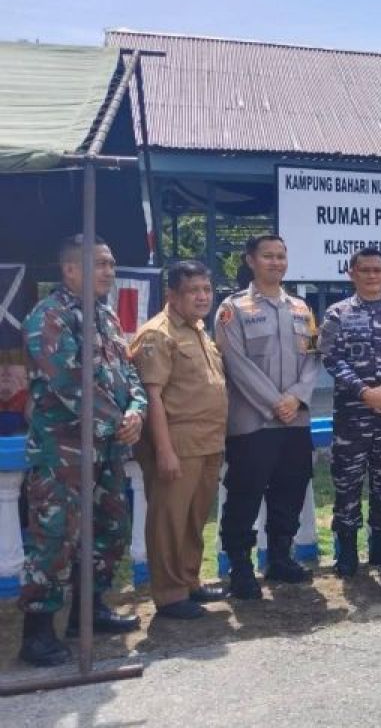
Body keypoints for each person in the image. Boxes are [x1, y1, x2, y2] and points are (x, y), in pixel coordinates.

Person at [17, 235, 145, 667]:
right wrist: (117, 418)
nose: (110, 271)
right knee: (55, 538)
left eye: (111, 264)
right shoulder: (48, 316)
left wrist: (137, 411)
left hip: (106, 447)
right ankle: (37, 633)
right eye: (100, 264)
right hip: (63, 451)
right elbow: (67, 383)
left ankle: (88, 613)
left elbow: (128, 371)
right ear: (71, 270)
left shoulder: (106, 317)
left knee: (110, 528)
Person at [215, 234, 321, 598]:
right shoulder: (233, 309)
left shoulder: (302, 309)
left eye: (281, 256)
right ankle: (241, 568)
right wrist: (276, 401)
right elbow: (235, 363)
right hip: (253, 422)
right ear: (250, 260)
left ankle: (280, 557)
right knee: (245, 494)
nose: (275, 262)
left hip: (295, 421)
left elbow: (313, 359)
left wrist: (295, 398)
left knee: (290, 491)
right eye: (267, 256)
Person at [131, 261, 229, 619]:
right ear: (171, 294)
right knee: (169, 519)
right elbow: (152, 396)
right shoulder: (158, 334)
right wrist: (164, 450)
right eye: (193, 291)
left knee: (194, 517)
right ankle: (170, 594)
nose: (203, 296)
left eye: (207, 289)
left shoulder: (199, 329)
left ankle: (189, 581)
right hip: (176, 443)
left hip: (207, 442)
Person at [318, 248, 381, 577]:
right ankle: (346, 550)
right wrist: (364, 392)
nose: (372, 275)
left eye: (378, 270)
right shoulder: (336, 314)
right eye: (365, 270)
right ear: (352, 273)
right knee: (347, 482)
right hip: (352, 415)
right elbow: (331, 358)